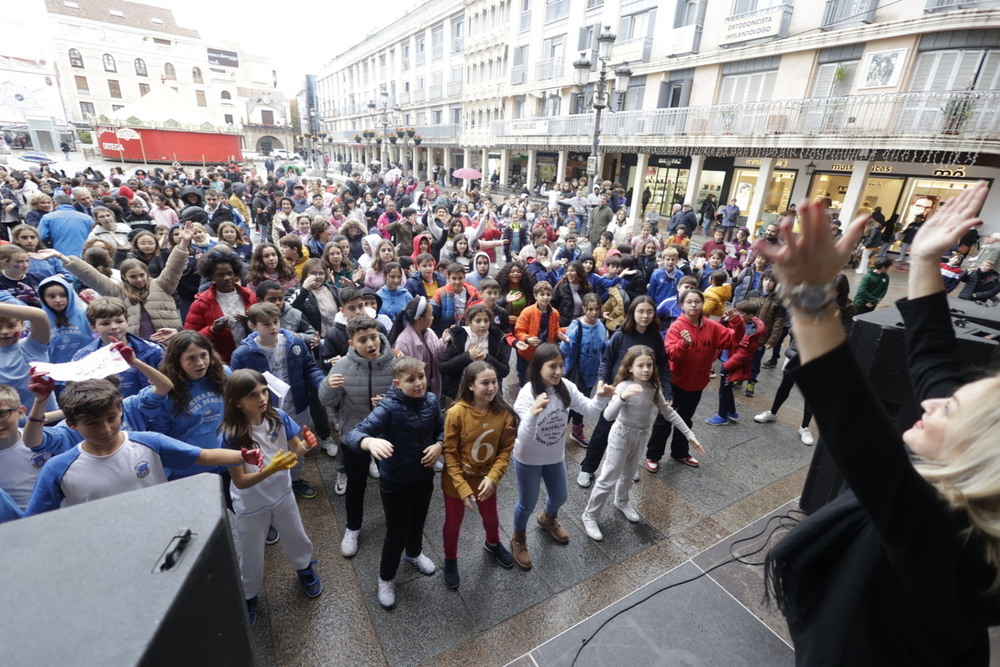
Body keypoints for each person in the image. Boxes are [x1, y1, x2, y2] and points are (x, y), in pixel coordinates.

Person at [762, 183, 1000, 665]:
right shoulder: (972, 504)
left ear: (974, 459)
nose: (932, 403)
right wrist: (928, 259)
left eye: (950, 410)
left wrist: (810, 297)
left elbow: (858, 434)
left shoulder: (948, 542)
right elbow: (935, 361)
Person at [26, 370, 264, 516]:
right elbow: (36, 520)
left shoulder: (149, 442)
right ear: (71, 424)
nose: (106, 429)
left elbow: (203, 456)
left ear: (120, 410)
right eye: (93, 423)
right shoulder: (57, 469)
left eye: (111, 418)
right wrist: (40, 401)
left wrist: (243, 456)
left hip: (162, 533)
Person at [219, 368, 322, 627]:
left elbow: (296, 450)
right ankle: (249, 595)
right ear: (236, 402)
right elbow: (240, 482)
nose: (263, 398)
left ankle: (304, 568)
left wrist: (307, 445)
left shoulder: (279, 417)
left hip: (282, 493)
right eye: (253, 395)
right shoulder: (231, 436)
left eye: (264, 390)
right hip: (251, 504)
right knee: (252, 553)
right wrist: (273, 469)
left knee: (296, 535)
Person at [344, 356, 444, 610]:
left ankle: (414, 554)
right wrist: (369, 442)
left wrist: (439, 445)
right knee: (396, 532)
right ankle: (385, 578)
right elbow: (354, 433)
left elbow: (443, 431)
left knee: (418, 520)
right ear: (398, 383)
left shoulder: (431, 401)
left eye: (421, 377)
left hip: (423, 475)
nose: (419, 383)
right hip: (396, 480)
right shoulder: (388, 408)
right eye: (411, 380)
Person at [581, 346, 702, 542]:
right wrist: (622, 397)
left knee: (628, 476)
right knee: (608, 478)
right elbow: (608, 415)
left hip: (640, 437)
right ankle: (590, 515)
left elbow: (668, 412)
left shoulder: (653, 389)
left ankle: (621, 501)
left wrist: (689, 435)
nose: (646, 370)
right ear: (629, 367)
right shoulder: (622, 387)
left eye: (649, 365)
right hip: (620, 435)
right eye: (641, 366)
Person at [510, 343, 613, 569]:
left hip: (554, 456)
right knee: (527, 504)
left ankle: (547, 518)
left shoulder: (565, 387)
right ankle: (518, 537)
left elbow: (589, 409)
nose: (558, 371)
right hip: (528, 459)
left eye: (561, 365)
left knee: (560, 497)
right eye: (552, 366)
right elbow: (522, 439)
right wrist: (532, 416)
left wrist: (601, 398)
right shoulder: (527, 395)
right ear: (538, 368)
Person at [230, 303, 326, 500]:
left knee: (298, 445)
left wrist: (322, 385)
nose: (273, 327)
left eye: (276, 321)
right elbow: (236, 387)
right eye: (266, 324)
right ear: (253, 326)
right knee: (267, 451)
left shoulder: (294, 343)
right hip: (263, 412)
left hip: (297, 405)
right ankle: (271, 485)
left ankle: (296, 479)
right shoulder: (242, 355)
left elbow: (310, 368)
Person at [440, 361, 517, 588]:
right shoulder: (455, 413)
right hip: (456, 483)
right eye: (485, 383)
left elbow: (505, 450)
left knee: (492, 517)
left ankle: (493, 543)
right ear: (471, 385)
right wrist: (462, 488)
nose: (492, 387)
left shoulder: (503, 413)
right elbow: (450, 454)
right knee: (453, 524)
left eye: (494, 382)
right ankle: (450, 558)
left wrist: (493, 478)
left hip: (486, 482)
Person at [647, 292, 744, 470]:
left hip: (697, 383)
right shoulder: (677, 327)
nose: (693, 305)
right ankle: (653, 455)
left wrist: (737, 322)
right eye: (689, 302)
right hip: (675, 383)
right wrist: (684, 344)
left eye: (697, 302)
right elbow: (671, 354)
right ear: (681, 305)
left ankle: (680, 452)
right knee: (664, 420)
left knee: (686, 419)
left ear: (703, 304)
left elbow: (733, 340)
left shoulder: (712, 327)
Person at [70, 297, 164, 399]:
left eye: (119, 321)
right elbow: (77, 394)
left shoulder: (153, 350)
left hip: (146, 409)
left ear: (127, 321)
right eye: (105, 323)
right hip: (104, 411)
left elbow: (168, 384)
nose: (114, 326)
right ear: (93, 327)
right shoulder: (83, 357)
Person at [184, 247, 256, 363]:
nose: (227, 278)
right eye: (220, 275)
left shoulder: (250, 296)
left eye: (230, 273)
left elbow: (262, 328)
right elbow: (189, 339)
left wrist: (250, 324)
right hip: (220, 363)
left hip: (251, 358)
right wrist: (213, 330)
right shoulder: (201, 304)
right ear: (211, 277)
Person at [705, 300, 766, 425]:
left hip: (730, 365)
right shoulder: (736, 322)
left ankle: (722, 416)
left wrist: (726, 367)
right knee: (727, 389)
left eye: (741, 313)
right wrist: (725, 320)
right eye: (737, 311)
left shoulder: (751, 333)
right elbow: (719, 329)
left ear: (750, 316)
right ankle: (731, 411)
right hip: (725, 359)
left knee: (724, 390)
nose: (738, 315)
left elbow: (743, 355)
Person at [559, 293, 608, 447]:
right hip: (575, 373)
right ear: (584, 309)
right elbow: (566, 351)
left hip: (591, 374)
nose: (594, 313)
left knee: (585, 403)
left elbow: (602, 347)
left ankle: (577, 430)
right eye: (590, 309)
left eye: (597, 309)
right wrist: (566, 342)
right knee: (569, 403)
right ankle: (558, 432)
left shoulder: (600, 325)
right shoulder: (577, 325)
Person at [439, 304, 510, 400]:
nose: (483, 325)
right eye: (478, 321)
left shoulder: (496, 337)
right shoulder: (458, 336)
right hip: (460, 391)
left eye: (486, 321)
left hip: (488, 392)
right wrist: (468, 356)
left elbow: (504, 371)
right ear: (469, 322)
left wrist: (487, 358)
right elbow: (443, 368)